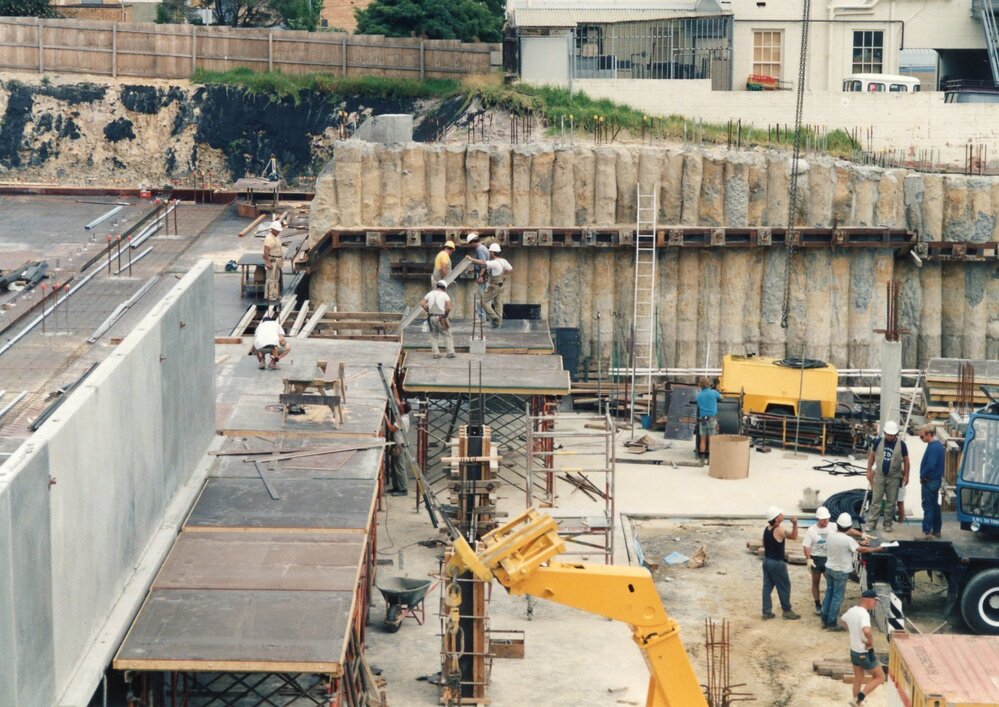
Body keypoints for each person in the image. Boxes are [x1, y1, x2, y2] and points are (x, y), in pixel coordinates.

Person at [821, 512, 877, 629]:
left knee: (829, 594)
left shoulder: (831, 534)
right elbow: (861, 549)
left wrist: (858, 541)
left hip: (829, 568)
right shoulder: (847, 540)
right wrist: (877, 549)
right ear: (849, 526)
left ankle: (824, 619)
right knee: (837, 597)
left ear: (838, 524)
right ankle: (832, 623)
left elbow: (849, 542)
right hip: (841, 571)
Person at [840, 590, 885, 706]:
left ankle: (856, 702)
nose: (875, 604)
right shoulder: (864, 614)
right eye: (875, 601)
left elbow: (842, 620)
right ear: (869, 600)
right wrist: (870, 641)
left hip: (854, 652)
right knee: (880, 677)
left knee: (859, 677)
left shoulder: (852, 610)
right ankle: (859, 699)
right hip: (864, 653)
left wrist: (852, 631)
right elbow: (867, 630)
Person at [865, 420, 910, 533]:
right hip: (879, 475)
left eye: (892, 435)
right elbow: (872, 456)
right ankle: (871, 523)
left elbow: (906, 460)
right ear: (885, 433)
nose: (889, 437)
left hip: (894, 477)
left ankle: (888, 524)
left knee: (891, 502)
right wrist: (869, 471)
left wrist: (906, 476)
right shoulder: (878, 442)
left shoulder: (902, 445)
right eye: (888, 434)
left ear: (896, 434)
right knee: (876, 500)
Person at [761, 506, 800, 620]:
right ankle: (787, 610)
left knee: (767, 587)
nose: (783, 515)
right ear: (776, 518)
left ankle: (766, 612)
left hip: (767, 561)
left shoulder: (767, 529)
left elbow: (763, 543)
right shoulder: (779, 529)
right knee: (784, 586)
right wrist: (795, 523)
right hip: (777, 563)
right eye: (780, 514)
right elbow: (794, 536)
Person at [802, 506, 832, 615]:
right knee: (815, 582)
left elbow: (847, 530)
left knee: (830, 582)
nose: (826, 521)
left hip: (828, 558)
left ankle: (827, 603)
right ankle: (817, 603)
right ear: (818, 519)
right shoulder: (812, 530)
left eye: (827, 519)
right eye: (823, 520)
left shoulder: (832, 526)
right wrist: (809, 559)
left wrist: (861, 534)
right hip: (816, 559)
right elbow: (806, 546)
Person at [918, 424, 945, 539]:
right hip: (935, 480)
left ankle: (927, 532)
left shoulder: (933, 447)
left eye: (922, 436)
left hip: (929, 481)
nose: (921, 438)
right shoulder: (938, 446)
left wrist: (922, 476)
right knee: (934, 505)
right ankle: (937, 530)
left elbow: (930, 465)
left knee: (928, 506)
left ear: (929, 434)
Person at [421, 280, 456, 359]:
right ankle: (450, 352)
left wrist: (428, 310)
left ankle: (436, 353)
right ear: (444, 288)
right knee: (447, 335)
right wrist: (446, 314)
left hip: (431, 317)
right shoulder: (445, 295)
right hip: (441, 317)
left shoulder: (429, 293)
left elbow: (422, 303)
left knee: (433, 336)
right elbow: (449, 307)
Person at [481, 243, 512, 328]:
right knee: (498, 304)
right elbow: (510, 269)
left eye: (490, 252)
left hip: (494, 286)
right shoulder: (503, 261)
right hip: (501, 286)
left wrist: (471, 260)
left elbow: (483, 263)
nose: (489, 253)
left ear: (493, 252)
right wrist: (502, 273)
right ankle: (498, 324)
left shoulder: (494, 263)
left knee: (483, 300)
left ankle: (494, 318)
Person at [695, 377, 722, 464]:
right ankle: (710, 460)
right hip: (712, 418)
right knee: (711, 440)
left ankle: (702, 459)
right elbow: (721, 397)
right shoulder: (713, 392)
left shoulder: (698, 395)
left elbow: (698, 404)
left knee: (702, 439)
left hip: (702, 419)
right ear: (708, 384)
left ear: (700, 385)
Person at [263, 220, 284, 302]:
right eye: (277, 230)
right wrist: (267, 262)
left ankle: (275, 294)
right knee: (270, 278)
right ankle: (269, 295)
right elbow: (266, 251)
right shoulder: (269, 238)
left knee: (276, 278)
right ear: (273, 229)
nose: (278, 232)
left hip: (277, 260)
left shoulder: (276, 237)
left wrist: (281, 259)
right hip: (272, 260)